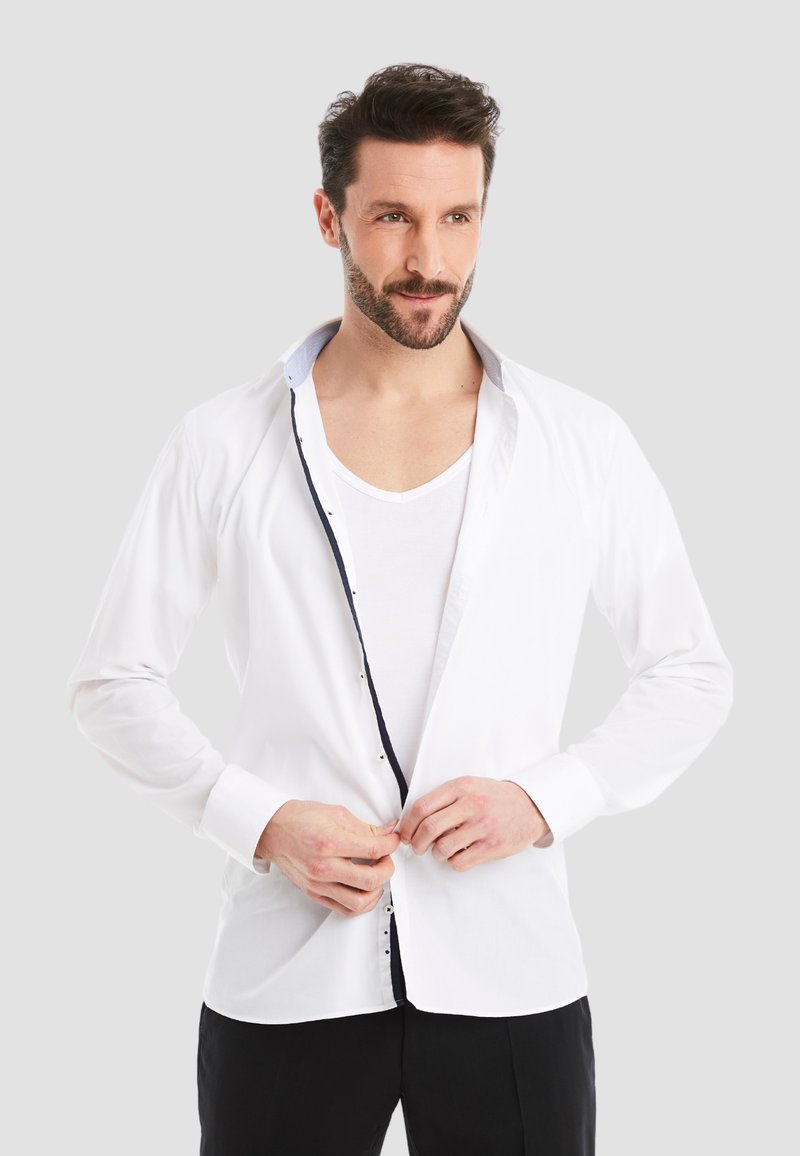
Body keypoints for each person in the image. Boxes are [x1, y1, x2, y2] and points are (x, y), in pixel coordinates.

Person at [65, 62, 734, 1156]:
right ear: (328, 217)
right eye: (391, 217)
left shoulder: (579, 443)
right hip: (289, 974)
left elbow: (690, 671)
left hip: (511, 969)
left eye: (456, 217)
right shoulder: (221, 443)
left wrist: (544, 799)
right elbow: (111, 681)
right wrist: (259, 822)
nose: (428, 259)